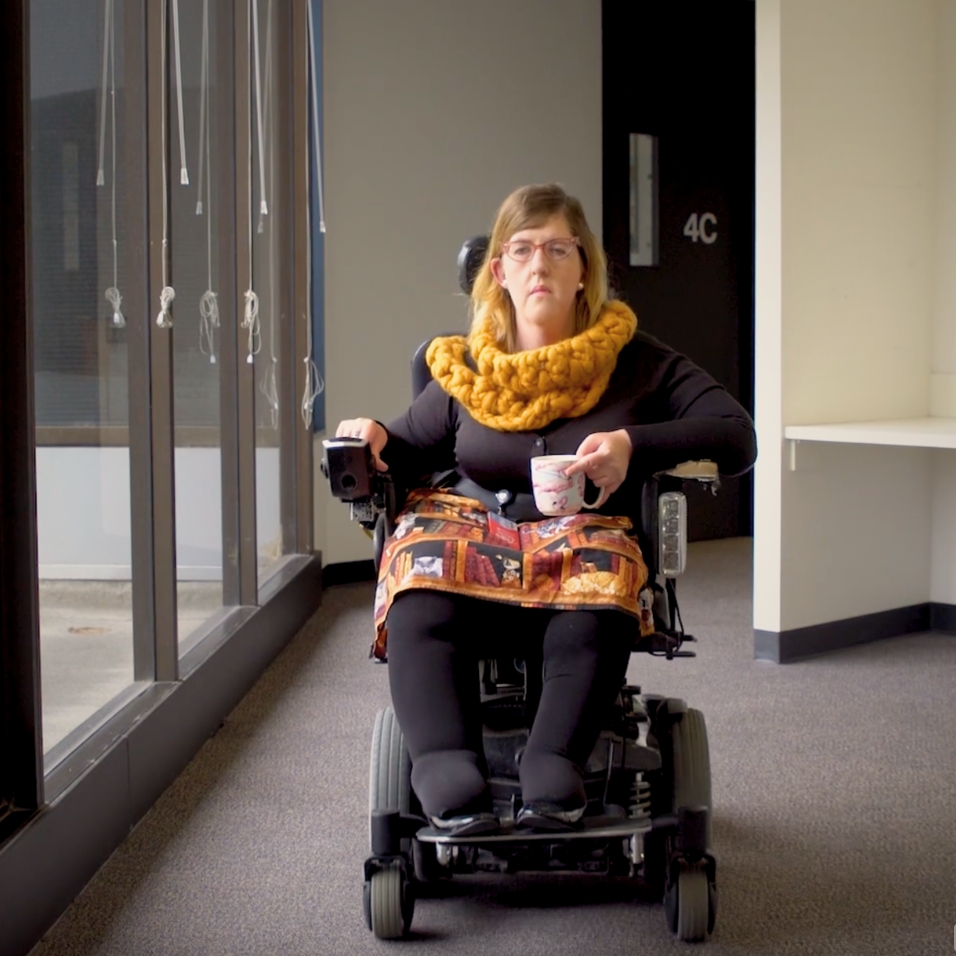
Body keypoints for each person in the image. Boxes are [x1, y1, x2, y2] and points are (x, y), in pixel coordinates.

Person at [336, 183, 756, 835]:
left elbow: (735, 437)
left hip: (579, 549)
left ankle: (552, 760)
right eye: (524, 249)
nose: (541, 265)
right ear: (499, 271)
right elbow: (409, 444)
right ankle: (444, 762)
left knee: (601, 580)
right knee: (418, 573)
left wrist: (631, 445)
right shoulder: (466, 368)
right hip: (473, 547)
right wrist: (373, 435)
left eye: (559, 248)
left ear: (584, 267)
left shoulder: (637, 363)